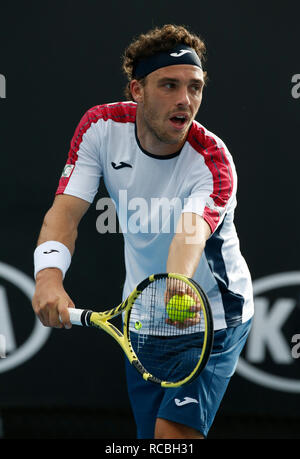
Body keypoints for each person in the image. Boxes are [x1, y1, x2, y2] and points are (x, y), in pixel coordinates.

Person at [32, 24, 254, 439]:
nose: (185, 101)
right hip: (143, 321)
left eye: (195, 87)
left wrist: (178, 285)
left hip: (212, 314)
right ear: (137, 90)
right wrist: (48, 277)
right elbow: (65, 213)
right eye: (169, 85)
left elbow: (191, 232)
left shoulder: (212, 159)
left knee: (172, 437)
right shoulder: (100, 128)